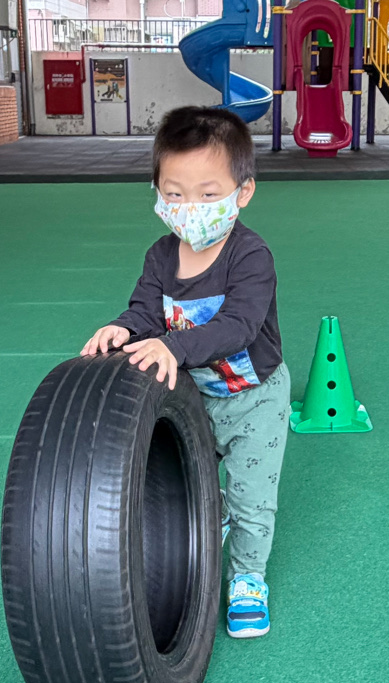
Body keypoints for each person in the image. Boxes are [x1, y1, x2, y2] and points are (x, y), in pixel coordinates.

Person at [81, 106, 290, 639]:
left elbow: (239, 326)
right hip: (195, 395)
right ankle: (212, 518)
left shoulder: (251, 257)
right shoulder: (160, 257)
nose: (189, 208)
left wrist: (173, 346)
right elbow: (145, 312)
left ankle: (248, 578)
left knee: (251, 496)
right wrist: (122, 329)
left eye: (207, 193)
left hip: (255, 399)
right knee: (191, 478)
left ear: (243, 192)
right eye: (174, 194)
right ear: (157, 192)